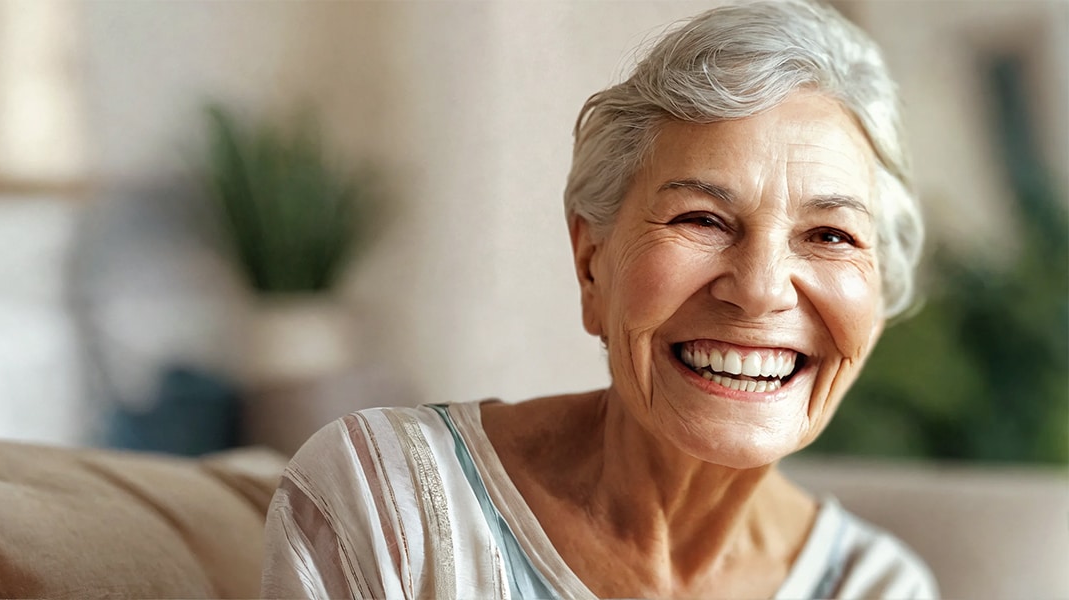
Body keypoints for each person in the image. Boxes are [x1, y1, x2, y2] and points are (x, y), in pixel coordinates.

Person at [260, 1, 937, 597]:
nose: (759, 290)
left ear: (874, 313)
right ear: (592, 264)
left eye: (829, 235)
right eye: (700, 219)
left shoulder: (876, 587)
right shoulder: (389, 501)